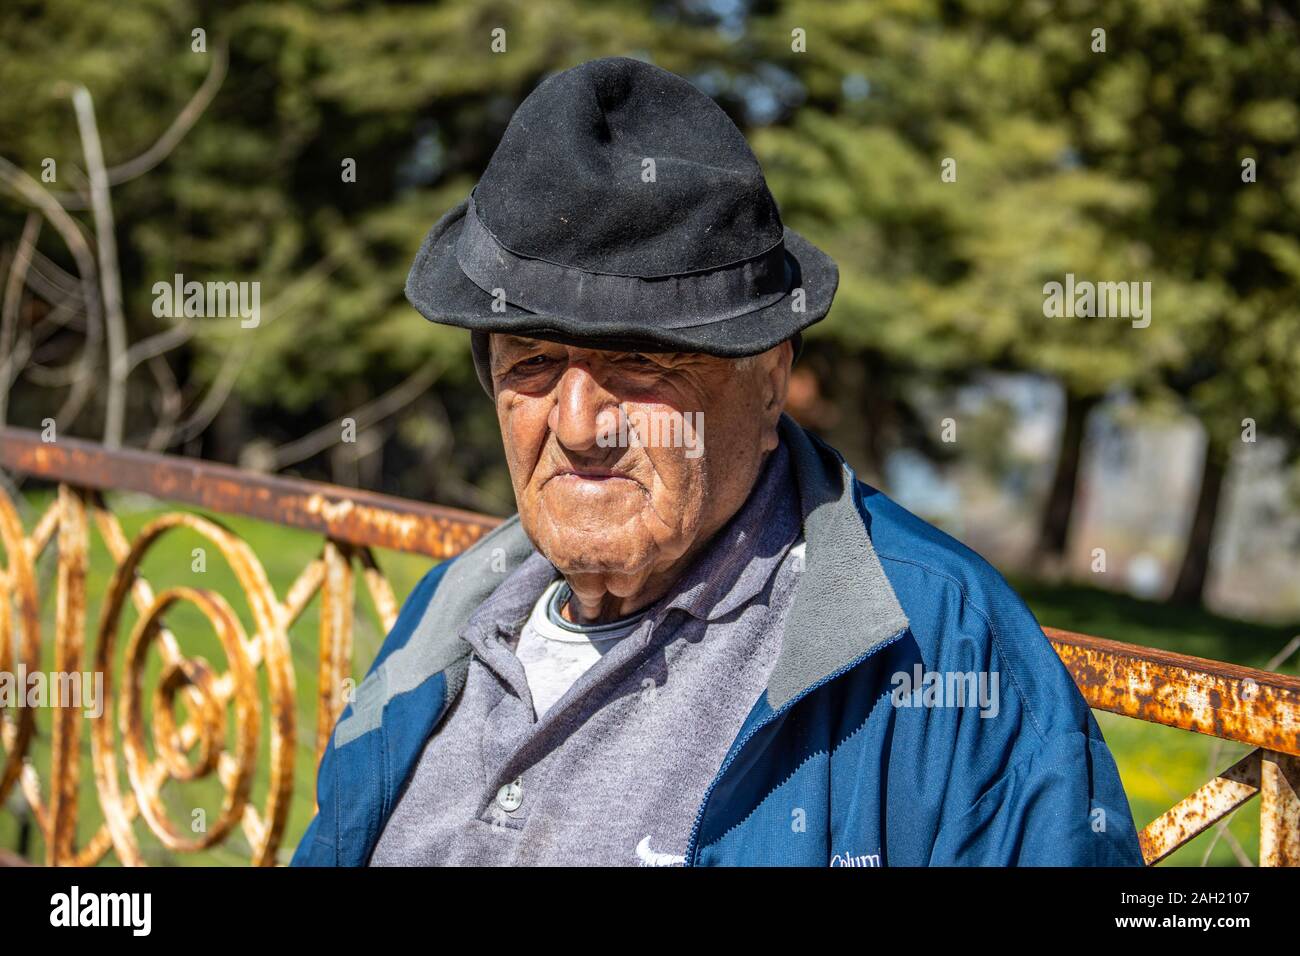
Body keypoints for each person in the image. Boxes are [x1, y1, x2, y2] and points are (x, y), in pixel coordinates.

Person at [291, 56, 1143, 867]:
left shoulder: (940, 651)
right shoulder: (455, 607)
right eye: (534, 360)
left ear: (771, 382)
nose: (580, 425)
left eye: (641, 362)